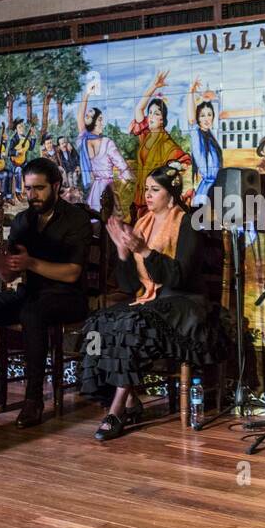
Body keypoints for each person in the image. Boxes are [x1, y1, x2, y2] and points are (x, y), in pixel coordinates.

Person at [79, 167, 227, 441]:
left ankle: (117, 410)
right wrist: (123, 253)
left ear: (171, 195)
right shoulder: (143, 223)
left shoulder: (188, 222)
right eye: (146, 189)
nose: (147, 195)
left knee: (132, 324)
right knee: (98, 322)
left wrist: (144, 251)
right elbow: (129, 286)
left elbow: (180, 277)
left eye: (155, 190)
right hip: (150, 300)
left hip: (183, 303)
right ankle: (127, 397)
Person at [0, 158, 93, 428]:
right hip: (31, 294)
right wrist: (2, 265)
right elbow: (11, 274)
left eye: (38, 189)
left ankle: (33, 400)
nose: (32, 196)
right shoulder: (22, 220)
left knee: (32, 312)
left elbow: (73, 272)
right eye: (28, 189)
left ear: (56, 186)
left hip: (68, 297)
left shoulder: (76, 219)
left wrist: (31, 263)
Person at [129, 71, 190, 220]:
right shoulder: (145, 135)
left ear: (163, 119)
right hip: (141, 195)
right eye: (150, 113)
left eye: (156, 113)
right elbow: (138, 109)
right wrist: (154, 86)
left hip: (157, 201)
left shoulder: (166, 142)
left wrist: (174, 168)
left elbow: (183, 161)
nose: (150, 117)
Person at [76, 95, 132, 212]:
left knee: (96, 220)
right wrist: (122, 183)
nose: (103, 123)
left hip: (95, 190)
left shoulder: (84, 141)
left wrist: (86, 95)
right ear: (94, 122)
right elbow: (124, 169)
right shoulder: (107, 143)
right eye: (100, 119)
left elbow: (80, 118)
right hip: (109, 189)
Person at [185, 80, 222, 206]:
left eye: (209, 114)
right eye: (202, 116)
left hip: (216, 189)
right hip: (206, 192)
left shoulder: (211, 139)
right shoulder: (197, 136)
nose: (207, 119)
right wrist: (191, 92)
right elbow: (191, 119)